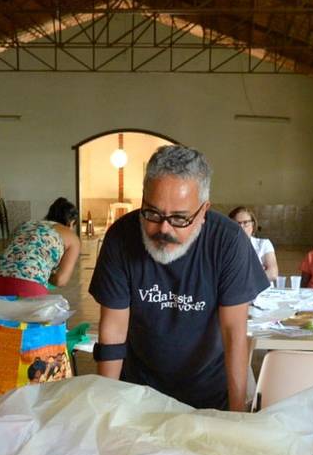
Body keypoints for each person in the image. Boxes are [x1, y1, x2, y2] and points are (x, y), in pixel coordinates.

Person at [88, 145, 269, 411]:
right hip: (138, 391)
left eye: (179, 218)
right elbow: (113, 332)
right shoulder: (121, 238)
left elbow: (233, 333)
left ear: (204, 211)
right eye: (152, 213)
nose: (164, 229)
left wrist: (236, 413)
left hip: (209, 392)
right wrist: (107, 406)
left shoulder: (228, 242)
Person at [0, 197, 83, 297]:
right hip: (29, 284)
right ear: (71, 222)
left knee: (3, 313)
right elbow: (61, 280)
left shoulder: (25, 224)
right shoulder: (72, 237)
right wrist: (44, 275)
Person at [229, 206, 278, 282]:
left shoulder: (264, 244)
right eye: (237, 223)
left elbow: (272, 274)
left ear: (253, 224)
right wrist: (257, 272)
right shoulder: (224, 246)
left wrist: (241, 278)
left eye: (245, 223)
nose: (241, 227)